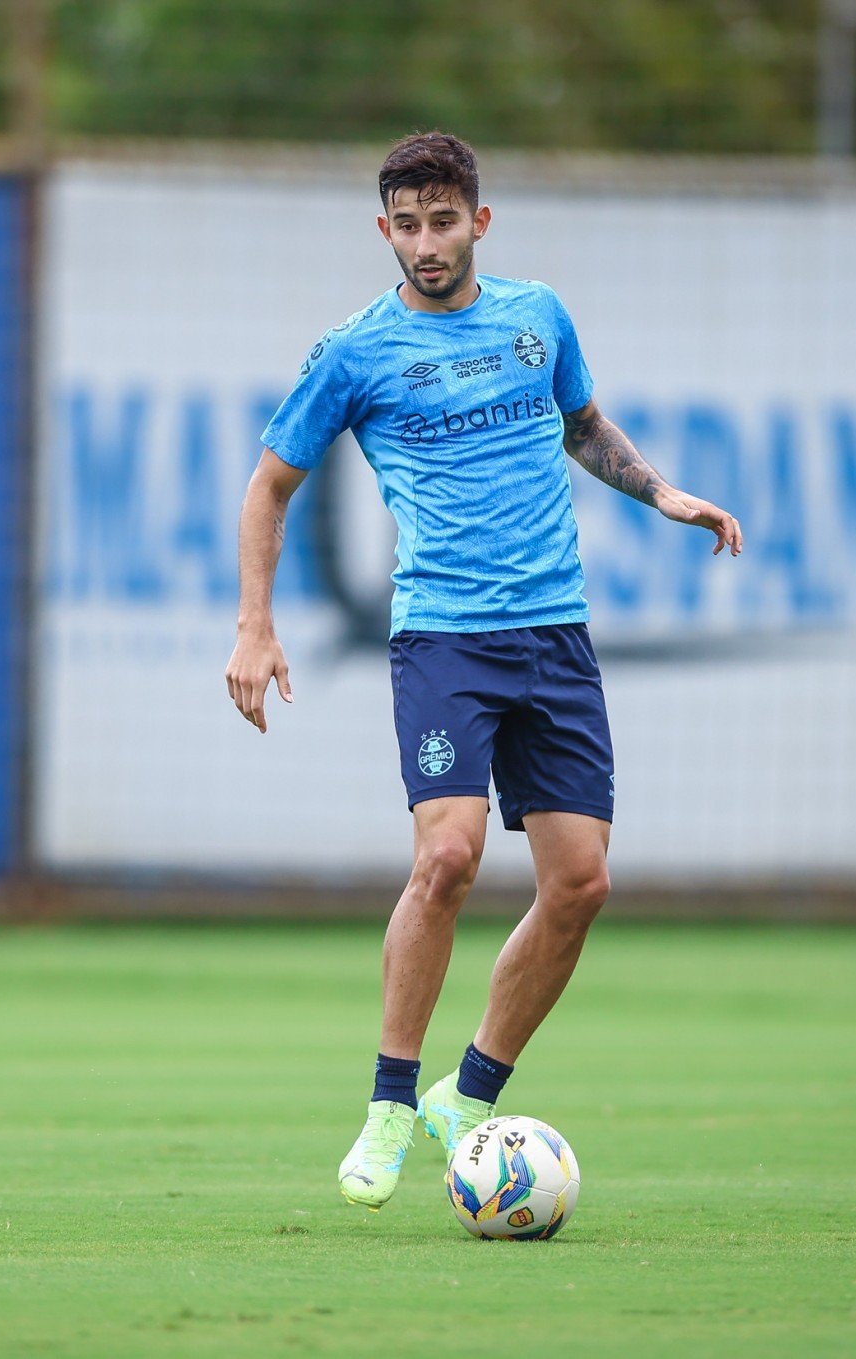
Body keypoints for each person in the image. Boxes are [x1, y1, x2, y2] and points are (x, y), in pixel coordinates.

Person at [224, 132, 742, 1209]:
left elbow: (585, 428)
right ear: (385, 231)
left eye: (443, 220)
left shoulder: (536, 317)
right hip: (444, 641)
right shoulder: (354, 352)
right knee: (447, 860)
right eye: (405, 225)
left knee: (583, 884)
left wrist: (665, 495)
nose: (426, 243)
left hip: (555, 636)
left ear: (479, 222)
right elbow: (270, 488)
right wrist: (254, 627)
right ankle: (388, 1107)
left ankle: (473, 1091)